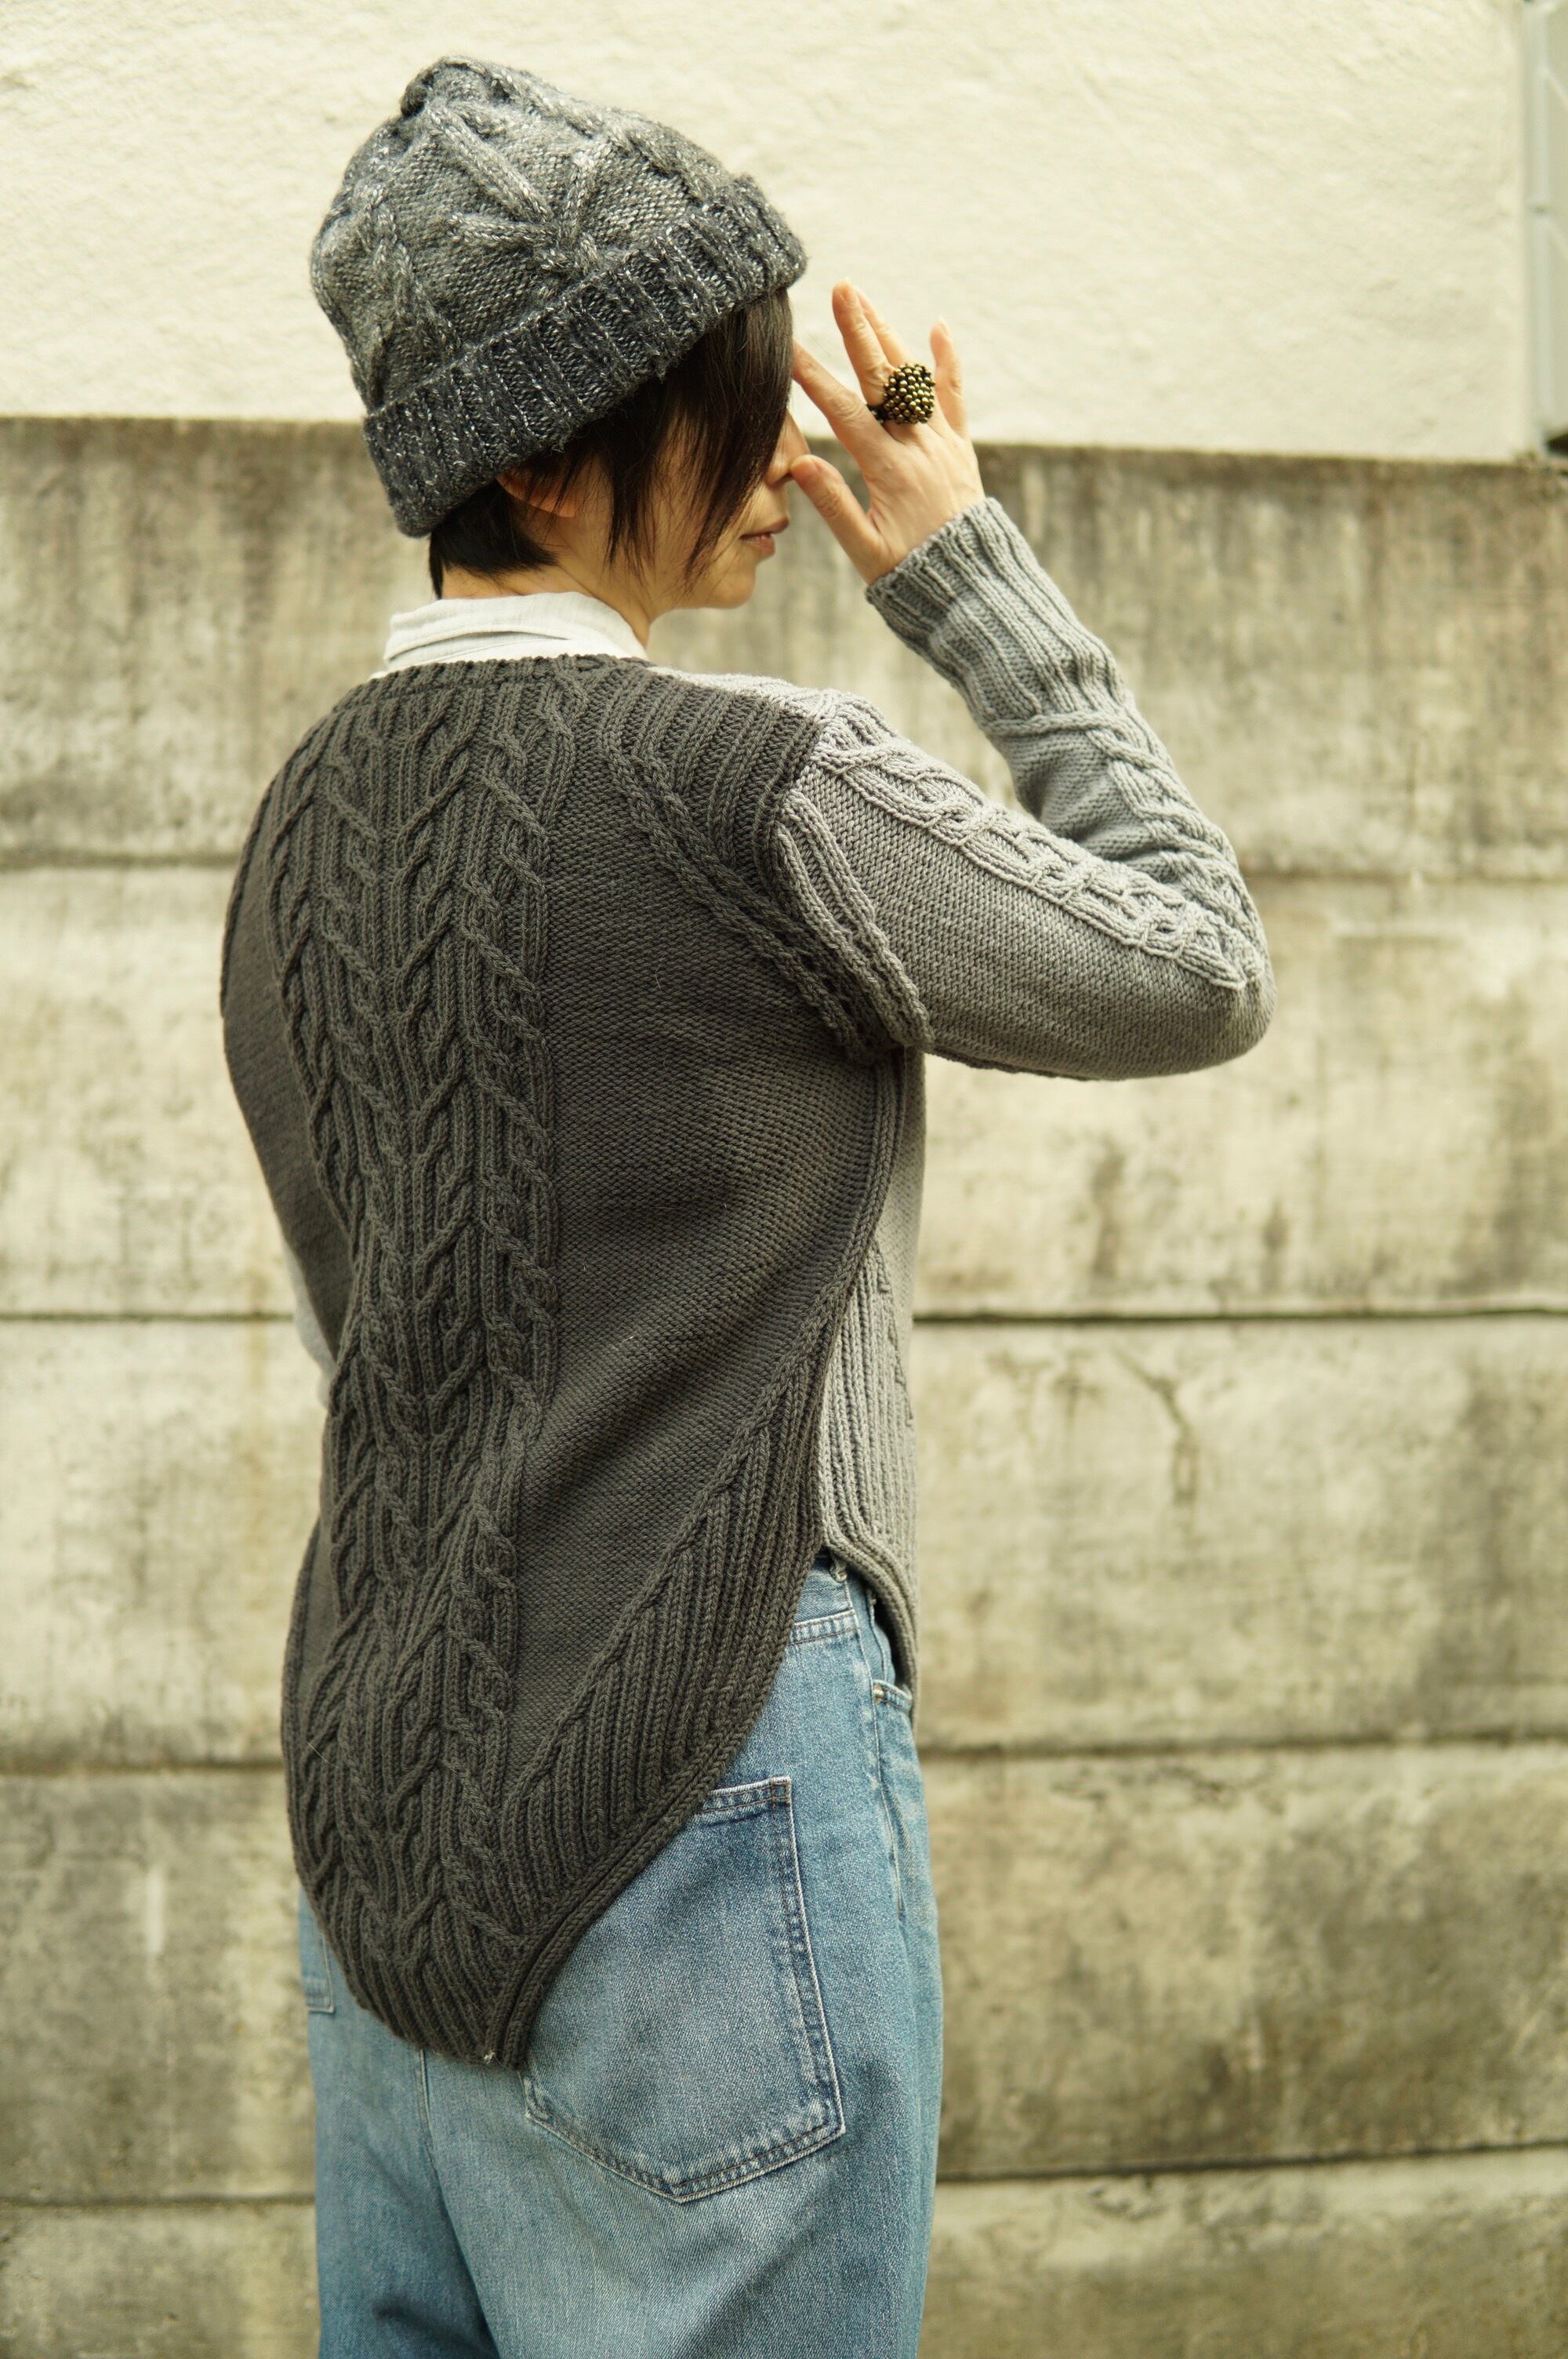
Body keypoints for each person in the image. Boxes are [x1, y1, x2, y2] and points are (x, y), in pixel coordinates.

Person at [220, 53, 1276, 2359]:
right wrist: (967, 571)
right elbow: (1200, 962)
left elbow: (368, 1339)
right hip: (711, 1776)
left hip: (382, 1811)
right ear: (533, 461)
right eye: (716, 397)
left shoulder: (295, 834)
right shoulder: (756, 788)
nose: (779, 455)